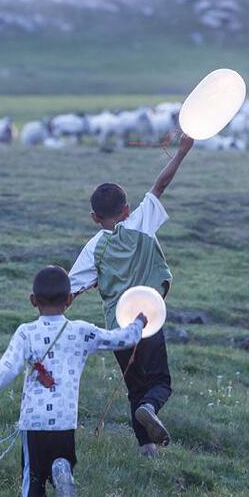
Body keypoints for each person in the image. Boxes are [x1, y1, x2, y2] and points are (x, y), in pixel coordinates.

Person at [0, 265, 147, 497]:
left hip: (34, 422)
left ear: (33, 300)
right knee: (60, 458)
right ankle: (63, 470)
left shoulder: (26, 333)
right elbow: (120, 339)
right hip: (65, 420)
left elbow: (4, 371)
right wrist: (138, 323)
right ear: (69, 300)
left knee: (33, 478)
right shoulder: (81, 331)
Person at [69, 132, 195, 457]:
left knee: (133, 387)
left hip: (117, 328)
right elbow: (160, 185)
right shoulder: (140, 223)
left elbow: (68, 291)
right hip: (147, 320)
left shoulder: (93, 247)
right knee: (159, 382)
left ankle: (146, 449)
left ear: (95, 219)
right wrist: (181, 151)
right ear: (126, 210)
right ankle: (151, 407)